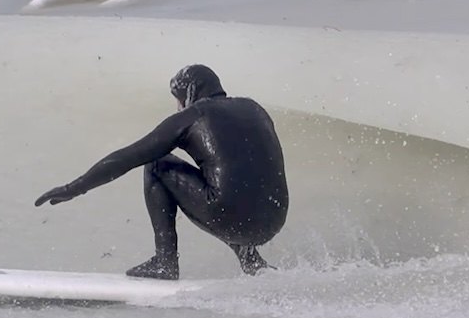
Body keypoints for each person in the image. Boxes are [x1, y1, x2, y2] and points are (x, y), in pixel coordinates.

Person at [34, 64, 289, 280]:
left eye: (177, 98)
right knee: (237, 185)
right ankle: (252, 261)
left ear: (189, 93)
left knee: (156, 164)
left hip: (231, 218)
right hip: (273, 220)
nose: (177, 106)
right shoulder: (255, 109)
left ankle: (165, 262)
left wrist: (74, 188)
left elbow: (127, 158)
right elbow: (253, 172)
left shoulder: (193, 116)